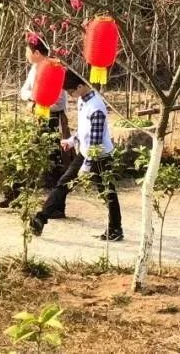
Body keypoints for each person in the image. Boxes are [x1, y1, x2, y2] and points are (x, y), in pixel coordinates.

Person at [30, 70, 123, 241]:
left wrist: (86, 166)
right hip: (85, 151)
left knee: (107, 192)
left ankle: (116, 228)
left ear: (80, 86)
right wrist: (73, 140)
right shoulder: (83, 99)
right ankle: (41, 218)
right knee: (64, 183)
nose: (71, 95)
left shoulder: (96, 108)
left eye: (71, 92)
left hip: (99, 156)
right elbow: (85, 131)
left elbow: (95, 141)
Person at [0, 34, 70, 212]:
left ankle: (56, 206)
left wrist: (37, 100)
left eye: (27, 51)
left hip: (52, 122)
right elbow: (23, 91)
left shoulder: (54, 68)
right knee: (20, 152)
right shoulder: (35, 68)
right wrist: (34, 98)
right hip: (35, 118)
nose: (26, 54)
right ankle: (13, 196)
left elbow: (59, 102)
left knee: (52, 164)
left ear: (36, 52)